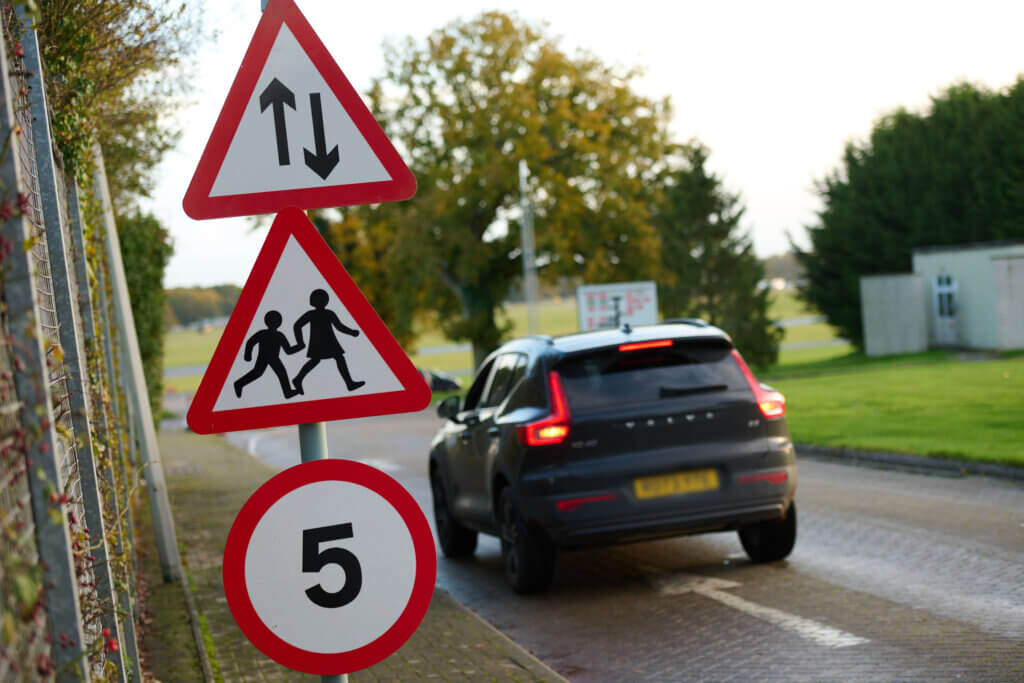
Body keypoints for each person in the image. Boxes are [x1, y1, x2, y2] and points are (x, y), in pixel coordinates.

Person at [292, 288, 365, 394]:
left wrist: (351, 332)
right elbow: (297, 325)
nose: (323, 301)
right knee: (332, 359)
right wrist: (300, 342)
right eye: (321, 299)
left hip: (327, 341)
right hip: (323, 342)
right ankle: (349, 383)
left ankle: (298, 379)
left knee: (327, 359)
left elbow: (339, 326)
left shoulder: (325, 313)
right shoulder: (316, 314)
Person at [234, 310, 303, 399]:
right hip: (265, 357)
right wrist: (247, 355)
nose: (275, 323)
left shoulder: (277, 335)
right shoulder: (267, 334)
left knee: (278, 373)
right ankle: (238, 384)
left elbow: (288, 350)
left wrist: (299, 347)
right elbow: (251, 342)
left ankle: (287, 391)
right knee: (259, 373)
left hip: (273, 358)